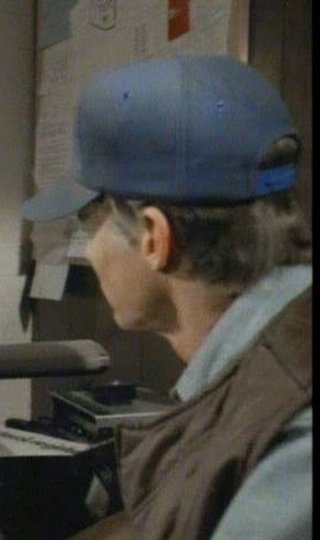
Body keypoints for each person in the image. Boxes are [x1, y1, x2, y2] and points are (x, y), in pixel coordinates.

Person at [22, 56, 311, 539]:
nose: (89, 251)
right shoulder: (262, 371)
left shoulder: (294, 437)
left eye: (89, 224)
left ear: (154, 239)